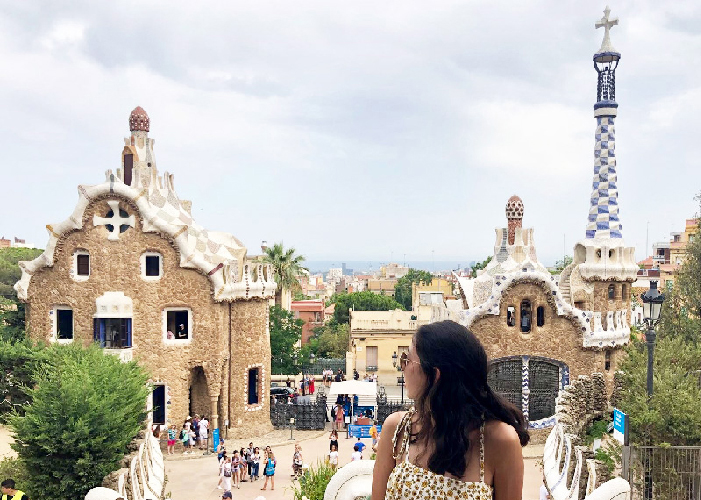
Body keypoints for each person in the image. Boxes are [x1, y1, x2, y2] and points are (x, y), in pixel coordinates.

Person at [371, 320, 529, 500]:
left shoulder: (498, 440)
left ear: (435, 375)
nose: (402, 366)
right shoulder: (398, 428)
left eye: (407, 359)